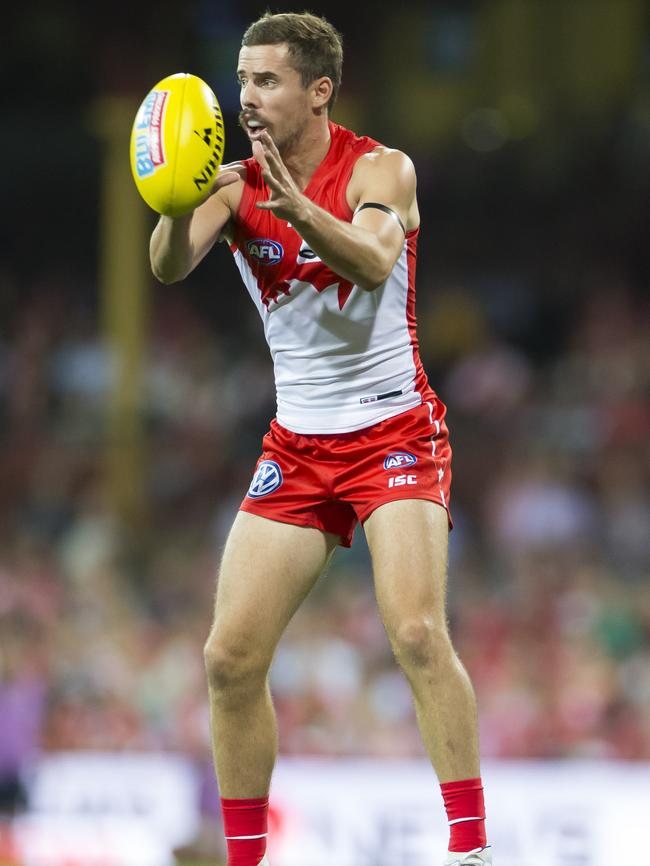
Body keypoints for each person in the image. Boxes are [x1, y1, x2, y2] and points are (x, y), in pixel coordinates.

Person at [150, 11, 491, 866]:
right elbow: (166, 264)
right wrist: (169, 200)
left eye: (266, 81)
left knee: (415, 633)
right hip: (297, 447)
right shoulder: (230, 186)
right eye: (242, 80)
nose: (248, 97)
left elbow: (374, 261)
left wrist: (298, 207)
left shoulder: (382, 169)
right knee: (228, 658)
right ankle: (245, 858)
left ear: (319, 90)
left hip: (394, 434)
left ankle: (472, 850)